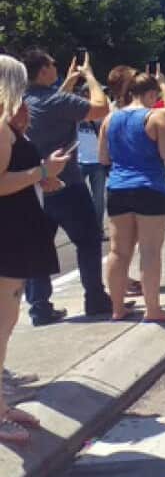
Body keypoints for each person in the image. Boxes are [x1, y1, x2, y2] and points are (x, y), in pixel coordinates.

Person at [0, 56, 68, 442]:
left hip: (15, 229)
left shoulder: (10, 122)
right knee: (1, 325)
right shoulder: (0, 125)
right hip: (7, 233)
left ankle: (2, 406)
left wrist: (40, 178)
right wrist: (43, 172)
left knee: (6, 325)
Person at [21, 49, 115, 324]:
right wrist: (89, 76)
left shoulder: (25, 101)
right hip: (68, 184)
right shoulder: (56, 101)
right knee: (87, 241)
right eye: (52, 64)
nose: (56, 66)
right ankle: (95, 299)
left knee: (38, 246)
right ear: (43, 71)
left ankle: (39, 307)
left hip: (35, 186)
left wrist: (70, 81)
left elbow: (56, 104)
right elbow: (101, 107)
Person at [100, 71, 165, 322]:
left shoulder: (109, 119)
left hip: (118, 188)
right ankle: (153, 309)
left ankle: (117, 307)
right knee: (150, 251)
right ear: (150, 94)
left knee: (118, 251)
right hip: (150, 188)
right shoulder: (154, 118)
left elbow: (103, 158)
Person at [76, 103, 106, 231]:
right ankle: (81, 228)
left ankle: (98, 229)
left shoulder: (102, 118)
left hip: (98, 163)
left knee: (98, 199)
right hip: (79, 162)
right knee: (78, 198)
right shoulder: (75, 116)